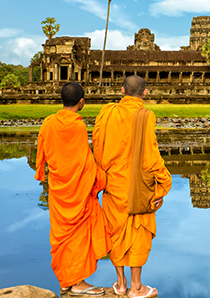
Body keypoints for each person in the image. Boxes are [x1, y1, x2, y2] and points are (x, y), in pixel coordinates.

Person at [92, 75, 172, 298]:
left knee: (115, 231)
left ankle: (120, 283)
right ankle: (136, 287)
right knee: (138, 231)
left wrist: (104, 173)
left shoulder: (107, 113)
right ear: (145, 93)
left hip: (113, 183)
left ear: (122, 90)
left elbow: (97, 146)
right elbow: (151, 156)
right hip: (138, 187)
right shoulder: (145, 115)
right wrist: (164, 184)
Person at [35, 82, 110, 296]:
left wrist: (42, 172)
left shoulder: (48, 123)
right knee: (77, 235)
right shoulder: (77, 126)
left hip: (59, 189)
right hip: (77, 191)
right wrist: (102, 177)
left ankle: (67, 281)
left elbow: (43, 153)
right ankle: (77, 283)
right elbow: (84, 162)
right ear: (81, 101)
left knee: (63, 235)